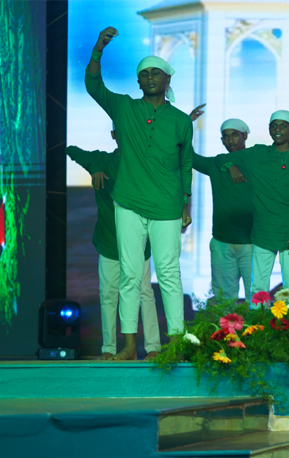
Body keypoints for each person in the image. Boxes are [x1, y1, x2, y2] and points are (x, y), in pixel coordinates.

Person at [85, 27, 193, 360]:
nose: (149, 77)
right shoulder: (124, 108)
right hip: (129, 203)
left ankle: (176, 343)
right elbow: (93, 85)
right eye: (144, 74)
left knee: (169, 273)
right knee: (131, 275)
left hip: (167, 205)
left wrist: (186, 203)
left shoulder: (180, 120)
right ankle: (130, 346)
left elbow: (185, 164)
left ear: (167, 79)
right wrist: (99, 48)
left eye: (155, 73)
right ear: (138, 82)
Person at [66, 129, 161, 360]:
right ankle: (108, 348)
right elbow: (71, 149)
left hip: (139, 243)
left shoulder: (144, 161)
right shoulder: (103, 160)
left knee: (145, 293)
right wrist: (94, 167)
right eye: (122, 130)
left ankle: (153, 347)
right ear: (114, 134)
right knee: (108, 295)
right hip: (110, 242)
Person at [218, 111, 289, 303]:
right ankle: (259, 323)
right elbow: (221, 159)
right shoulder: (257, 153)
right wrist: (231, 166)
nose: (277, 129)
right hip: (263, 233)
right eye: (273, 125)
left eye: (283, 126)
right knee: (258, 291)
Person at [192, 114, 254, 304]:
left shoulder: (257, 162)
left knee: (257, 298)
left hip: (253, 242)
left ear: (245, 136)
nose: (230, 140)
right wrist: (187, 124)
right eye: (226, 137)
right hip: (222, 242)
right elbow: (189, 156)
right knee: (223, 299)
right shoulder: (215, 164)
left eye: (235, 135)